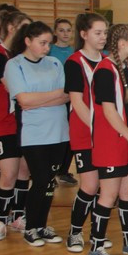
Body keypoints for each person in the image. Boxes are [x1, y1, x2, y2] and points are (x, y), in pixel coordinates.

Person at [4, 21, 69, 247]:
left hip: (59, 131)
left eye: (49, 43)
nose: (47, 48)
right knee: (40, 179)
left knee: (49, 182)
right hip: (34, 133)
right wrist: (52, 96)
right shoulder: (15, 65)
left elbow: (66, 95)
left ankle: (42, 226)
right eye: (42, 43)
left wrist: (37, 100)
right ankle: (30, 227)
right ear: (28, 41)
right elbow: (24, 100)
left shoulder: (54, 63)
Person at [88, 23, 128, 255]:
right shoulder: (104, 71)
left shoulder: (127, 69)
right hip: (111, 141)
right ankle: (96, 246)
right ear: (122, 43)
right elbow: (109, 111)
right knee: (108, 195)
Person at [64, 13, 108, 253]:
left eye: (105, 33)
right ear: (83, 34)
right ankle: (75, 231)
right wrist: (95, 125)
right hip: (84, 132)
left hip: (105, 134)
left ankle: (96, 234)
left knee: (105, 187)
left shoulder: (107, 61)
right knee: (90, 185)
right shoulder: (74, 62)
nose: (103, 37)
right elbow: (76, 101)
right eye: (97, 33)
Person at [0, 10, 31, 241]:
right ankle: (1, 220)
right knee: (9, 173)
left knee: (24, 172)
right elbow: (13, 87)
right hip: (4, 122)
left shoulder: (24, 56)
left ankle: (18, 216)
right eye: (25, 27)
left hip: (27, 122)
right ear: (12, 28)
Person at [48, 18, 77, 186]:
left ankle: (63, 171)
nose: (65, 33)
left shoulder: (74, 51)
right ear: (55, 32)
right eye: (61, 30)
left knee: (70, 136)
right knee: (55, 136)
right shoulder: (49, 50)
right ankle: (50, 172)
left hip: (71, 98)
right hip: (54, 98)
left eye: (68, 30)